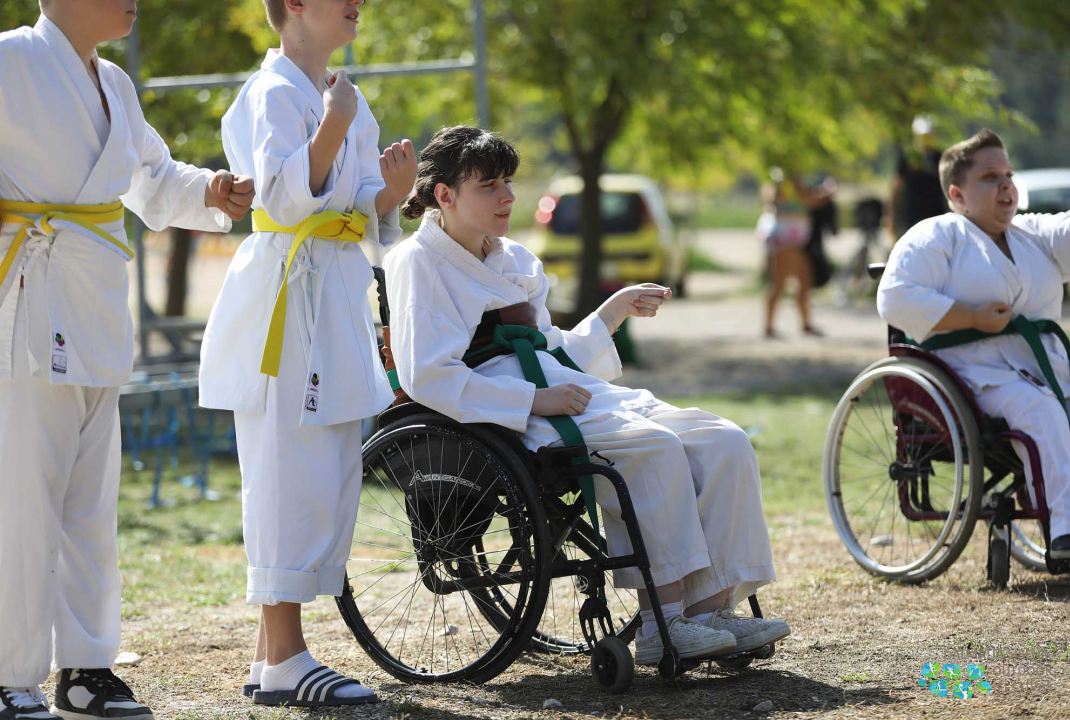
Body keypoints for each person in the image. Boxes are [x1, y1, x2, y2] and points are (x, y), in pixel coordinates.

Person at [383, 126, 790, 668]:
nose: (507, 197)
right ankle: (662, 623)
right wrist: (531, 402)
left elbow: (556, 351)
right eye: (489, 186)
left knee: (725, 440)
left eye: (508, 182)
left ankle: (710, 614)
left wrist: (612, 311)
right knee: (651, 446)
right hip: (498, 414)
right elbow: (427, 374)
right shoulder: (419, 262)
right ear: (445, 195)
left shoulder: (516, 259)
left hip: (558, 390)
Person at [0, 2, 255, 719]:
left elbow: (150, 178)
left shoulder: (113, 82)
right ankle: (7, 674)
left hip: (94, 307)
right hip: (25, 304)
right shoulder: (11, 60)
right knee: (21, 504)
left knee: (89, 508)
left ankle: (85, 669)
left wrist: (206, 190)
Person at [198, 0, 416, 708]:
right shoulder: (275, 92)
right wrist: (335, 126)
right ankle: (288, 655)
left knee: (322, 467)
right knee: (286, 468)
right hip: (287, 297)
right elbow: (286, 199)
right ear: (293, 4)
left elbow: (355, 204)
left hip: (333, 292)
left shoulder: (339, 94)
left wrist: (395, 191)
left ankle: (272, 659)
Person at [878, 128, 1070, 560]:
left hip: (1041, 365)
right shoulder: (936, 236)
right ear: (958, 193)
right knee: (1038, 408)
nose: (1006, 184)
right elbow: (895, 296)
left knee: (1053, 398)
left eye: (1008, 174)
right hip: (971, 372)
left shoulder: (1032, 234)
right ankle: (1069, 534)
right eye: (989, 177)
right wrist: (971, 317)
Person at [757, 178, 823, 338]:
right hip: (786, 240)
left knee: (803, 281)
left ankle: (805, 323)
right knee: (779, 283)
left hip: (795, 241)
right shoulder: (780, 181)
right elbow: (773, 198)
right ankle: (769, 325)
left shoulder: (792, 180)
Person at [889, 115, 948, 242]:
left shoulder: (941, 158)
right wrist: (892, 218)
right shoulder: (907, 158)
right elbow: (896, 189)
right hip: (911, 220)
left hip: (936, 219)